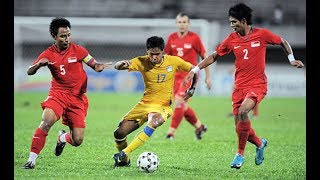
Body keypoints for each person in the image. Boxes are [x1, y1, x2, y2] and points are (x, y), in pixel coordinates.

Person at [183, 3, 304, 169]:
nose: (232, 25)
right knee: (240, 128)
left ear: (244, 20)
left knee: (243, 112)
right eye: (230, 22)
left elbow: (282, 41)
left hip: (257, 84)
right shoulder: (232, 39)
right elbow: (214, 56)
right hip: (239, 86)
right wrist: (195, 69)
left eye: (234, 22)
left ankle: (239, 154)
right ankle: (260, 144)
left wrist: (291, 59)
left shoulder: (262, 35)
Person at [22, 17, 112, 169]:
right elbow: (29, 71)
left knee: (77, 140)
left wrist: (98, 66)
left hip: (77, 99)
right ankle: (31, 160)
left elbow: (93, 63)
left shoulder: (79, 50)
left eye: (68, 35)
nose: (67, 39)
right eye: (63, 36)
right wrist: (37, 65)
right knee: (46, 121)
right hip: (58, 94)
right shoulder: (48, 54)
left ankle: (62, 138)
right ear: (54, 36)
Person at [112, 36, 198, 167]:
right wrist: (121, 64)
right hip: (144, 104)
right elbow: (117, 67)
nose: (153, 58)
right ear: (147, 51)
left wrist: (192, 88)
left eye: (157, 54)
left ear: (163, 51)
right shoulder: (141, 61)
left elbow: (194, 69)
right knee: (119, 133)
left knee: (155, 121)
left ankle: (125, 152)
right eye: (151, 54)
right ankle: (124, 161)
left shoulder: (173, 61)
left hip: (162, 106)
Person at [164, 12, 212, 140]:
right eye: (179, 22)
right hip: (175, 77)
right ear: (176, 23)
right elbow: (166, 58)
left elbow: (205, 57)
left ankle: (170, 133)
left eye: (184, 22)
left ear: (189, 24)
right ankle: (200, 126)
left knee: (179, 102)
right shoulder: (171, 38)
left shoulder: (194, 38)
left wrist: (208, 77)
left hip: (189, 76)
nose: (182, 24)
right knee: (182, 106)